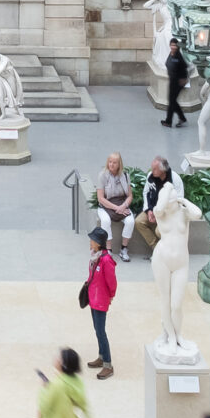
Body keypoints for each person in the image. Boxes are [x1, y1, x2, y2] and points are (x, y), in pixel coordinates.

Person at [81, 232, 117, 378]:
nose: (90, 241)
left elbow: (112, 282)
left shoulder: (106, 260)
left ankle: (108, 364)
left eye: (93, 240)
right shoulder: (95, 257)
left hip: (101, 300)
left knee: (101, 332)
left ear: (99, 242)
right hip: (93, 298)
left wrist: (111, 296)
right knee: (97, 329)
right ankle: (101, 356)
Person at [91, 154, 135, 258]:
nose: (111, 164)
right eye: (110, 162)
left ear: (119, 164)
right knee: (105, 221)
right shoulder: (102, 175)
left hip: (121, 204)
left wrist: (123, 206)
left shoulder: (125, 175)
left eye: (114, 162)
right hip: (106, 205)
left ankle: (124, 249)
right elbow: (100, 198)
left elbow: (130, 196)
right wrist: (117, 208)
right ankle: (108, 249)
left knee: (130, 221)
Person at [161, 39, 190, 128]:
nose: (173, 47)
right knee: (172, 101)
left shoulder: (178, 56)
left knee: (172, 101)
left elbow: (185, 67)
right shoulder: (171, 54)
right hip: (172, 80)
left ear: (178, 46)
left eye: (175, 45)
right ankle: (182, 118)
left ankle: (168, 121)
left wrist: (184, 79)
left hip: (178, 82)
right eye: (172, 45)